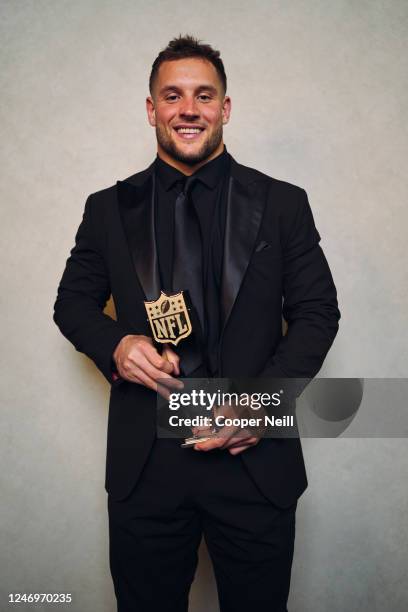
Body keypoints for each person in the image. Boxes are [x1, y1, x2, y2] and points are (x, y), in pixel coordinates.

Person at [53, 35, 340, 612]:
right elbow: (73, 304)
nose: (189, 109)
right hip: (147, 468)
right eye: (173, 96)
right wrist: (117, 344)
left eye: (204, 96)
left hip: (253, 459)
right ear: (152, 109)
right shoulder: (106, 209)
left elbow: (317, 312)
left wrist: (260, 405)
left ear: (225, 108)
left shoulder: (283, 203)